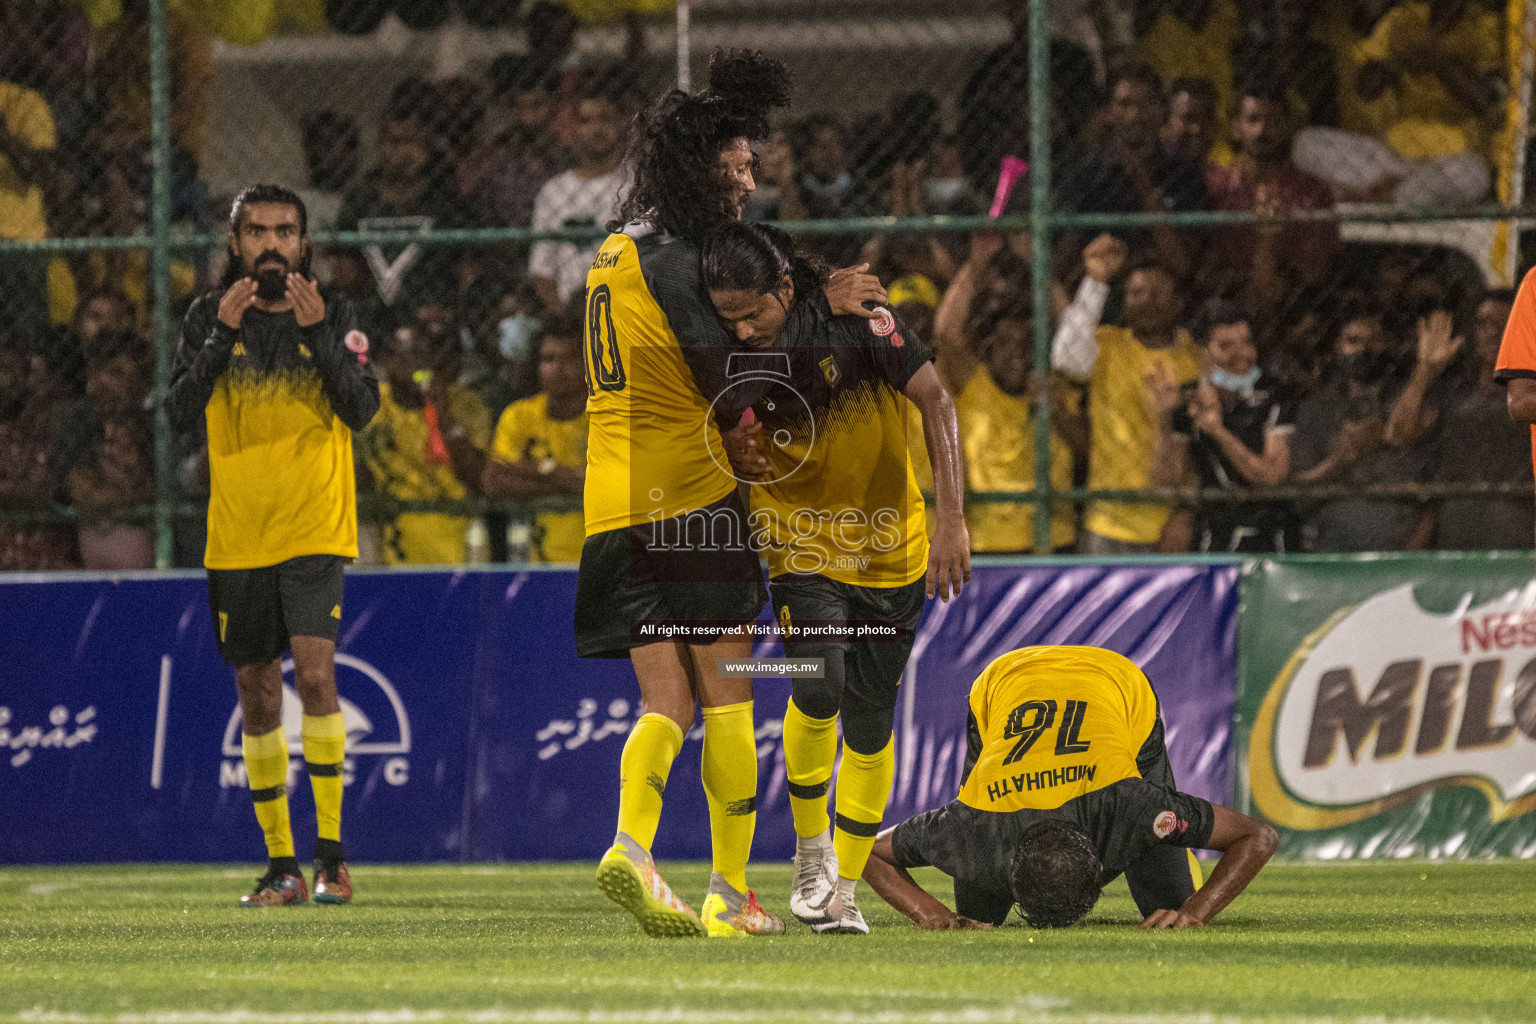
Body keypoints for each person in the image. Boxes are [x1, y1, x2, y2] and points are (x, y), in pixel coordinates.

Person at [579, 49, 884, 940]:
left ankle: (632, 846)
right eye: (741, 167)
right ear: (701, 170)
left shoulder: (612, 248)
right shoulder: (683, 261)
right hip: (690, 503)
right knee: (727, 698)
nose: (750, 181)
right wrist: (820, 309)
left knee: (661, 705)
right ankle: (728, 892)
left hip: (611, 506)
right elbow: (745, 378)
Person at [706, 222, 970, 935]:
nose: (741, 327)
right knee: (816, 682)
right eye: (728, 316)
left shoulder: (865, 324)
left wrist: (952, 519)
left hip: (893, 548)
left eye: (752, 312)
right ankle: (810, 850)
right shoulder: (727, 347)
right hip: (799, 545)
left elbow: (937, 402)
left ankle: (844, 892)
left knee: (870, 723)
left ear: (784, 290)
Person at [164, 185, 379, 908]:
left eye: (285, 231)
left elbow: (362, 408)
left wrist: (321, 337)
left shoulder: (338, 314)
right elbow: (177, 415)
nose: (271, 245)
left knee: (316, 679)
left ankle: (332, 858)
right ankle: (280, 865)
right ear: (235, 246)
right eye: (255, 232)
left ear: (304, 242)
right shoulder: (206, 317)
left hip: (315, 526)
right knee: (257, 691)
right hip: (238, 533)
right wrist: (220, 340)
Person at [863, 646, 1278, 930]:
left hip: (1117, 682)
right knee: (977, 913)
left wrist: (1195, 912)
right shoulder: (973, 822)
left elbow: (1258, 837)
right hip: (1004, 681)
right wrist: (933, 914)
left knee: (1169, 905)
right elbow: (862, 851)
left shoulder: (1132, 807)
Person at [931, 231, 1095, 554]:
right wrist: (975, 267)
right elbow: (945, 335)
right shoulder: (974, 384)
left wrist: (1041, 270)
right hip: (986, 543)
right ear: (989, 349)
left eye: (1025, 344)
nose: (1016, 353)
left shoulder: (1055, 383)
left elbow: (1076, 337)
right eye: (1005, 345)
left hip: (1051, 540)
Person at [1054, 262, 1202, 554]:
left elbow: (1199, 450)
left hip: (1167, 525)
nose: (1148, 302)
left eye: (1158, 294)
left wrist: (1184, 513)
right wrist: (1096, 278)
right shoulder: (1107, 344)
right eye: (1137, 293)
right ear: (1123, 303)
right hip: (1105, 522)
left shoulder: (1194, 358)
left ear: (1177, 303)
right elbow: (1066, 358)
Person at [1294, 0, 1499, 207]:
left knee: (1475, 173)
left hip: (1452, 160)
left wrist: (1439, 64)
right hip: (1391, 161)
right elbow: (1366, 91)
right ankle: (1389, 197)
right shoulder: (1403, 18)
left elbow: (1487, 103)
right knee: (1306, 143)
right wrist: (1392, 64)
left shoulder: (1487, 26)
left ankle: (1378, 199)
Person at [1146, 300, 1294, 553]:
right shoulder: (1189, 399)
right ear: (1201, 354)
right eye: (1226, 346)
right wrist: (1164, 418)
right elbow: (1165, 482)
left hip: (1271, 535)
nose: (1243, 355)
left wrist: (1219, 432)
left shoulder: (1273, 393)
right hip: (1217, 535)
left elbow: (1272, 477)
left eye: (1247, 343)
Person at [361, 292, 492, 565]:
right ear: (387, 361)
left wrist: (443, 414)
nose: (417, 366)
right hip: (392, 543)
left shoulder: (465, 404)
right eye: (407, 356)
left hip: (458, 539)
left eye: (424, 356)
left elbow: (477, 477)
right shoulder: (371, 407)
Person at [1394, 293, 1533, 549]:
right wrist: (1424, 370)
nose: (1493, 333)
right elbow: (1399, 433)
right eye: (1485, 323)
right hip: (1456, 532)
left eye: (1505, 326)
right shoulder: (1454, 394)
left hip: (1518, 533)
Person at [1290, 304, 1433, 551]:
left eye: (1374, 340)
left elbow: (1431, 497)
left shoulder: (1412, 400)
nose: (1364, 350)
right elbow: (1299, 490)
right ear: (1337, 346)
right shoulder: (1316, 409)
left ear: (1389, 344)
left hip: (1397, 547)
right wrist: (1344, 458)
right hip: (1332, 549)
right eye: (1353, 341)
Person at [1056, 64, 1206, 281]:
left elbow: (1184, 266)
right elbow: (1063, 262)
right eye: (1124, 104)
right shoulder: (1087, 175)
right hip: (1097, 282)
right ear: (1108, 112)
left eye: (1145, 105)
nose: (1135, 115)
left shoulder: (1183, 173)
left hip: (1162, 287)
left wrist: (1147, 191)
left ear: (1161, 111)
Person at [1203, 78, 1338, 314]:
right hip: (1227, 302)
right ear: (1236, 128)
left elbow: (1316, 269)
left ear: (1286, 128)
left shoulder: (1311, 190)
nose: (1262, 130)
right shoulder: (1215, 186)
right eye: (1253, 120)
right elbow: (1205, 267)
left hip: (1294, 304)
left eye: (1273, 122)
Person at [482, 312, 588, 563]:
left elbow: (598, 487)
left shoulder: (608, 416)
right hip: (536, 562)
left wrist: (534, 469)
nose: (557, 369)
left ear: (589, 362)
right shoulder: (519, 416)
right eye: (548, 359)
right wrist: (563, 477)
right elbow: (494, 481)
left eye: (569, 359)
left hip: (593, 561)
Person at [527, 69, 629, 311]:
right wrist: (567, 319)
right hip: (571, 307)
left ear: (621, 122)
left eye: (605, 118)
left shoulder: (638, 185)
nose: (596, 129)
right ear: (574, 129)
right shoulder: (554, 191)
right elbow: (542, 272)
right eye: (586, 121)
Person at [60, 331, 155, 570]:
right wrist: (137, 498)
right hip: (89, 572)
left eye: (115, 373)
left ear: (141, 381)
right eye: (97, 373)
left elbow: (164, 492)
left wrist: (133, 477)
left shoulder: (155, 425)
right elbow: (86, 495)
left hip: (152, 569)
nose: (102, 384)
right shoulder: (78, 421)